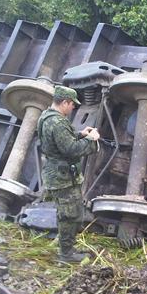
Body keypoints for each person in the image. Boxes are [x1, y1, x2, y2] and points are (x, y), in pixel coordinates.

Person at [37, 86, 100, 262]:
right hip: (62, 178)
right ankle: (66, 254)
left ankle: (66, 245)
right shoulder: (58, 122)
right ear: (65, 102)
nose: (73, 107)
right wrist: (91, 140)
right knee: (70, 215)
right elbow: (71, 149)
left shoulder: (47, 116)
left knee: (65, 212)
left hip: (55, 173)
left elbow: (61, 141)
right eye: (72, 104)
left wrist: (81, 134)